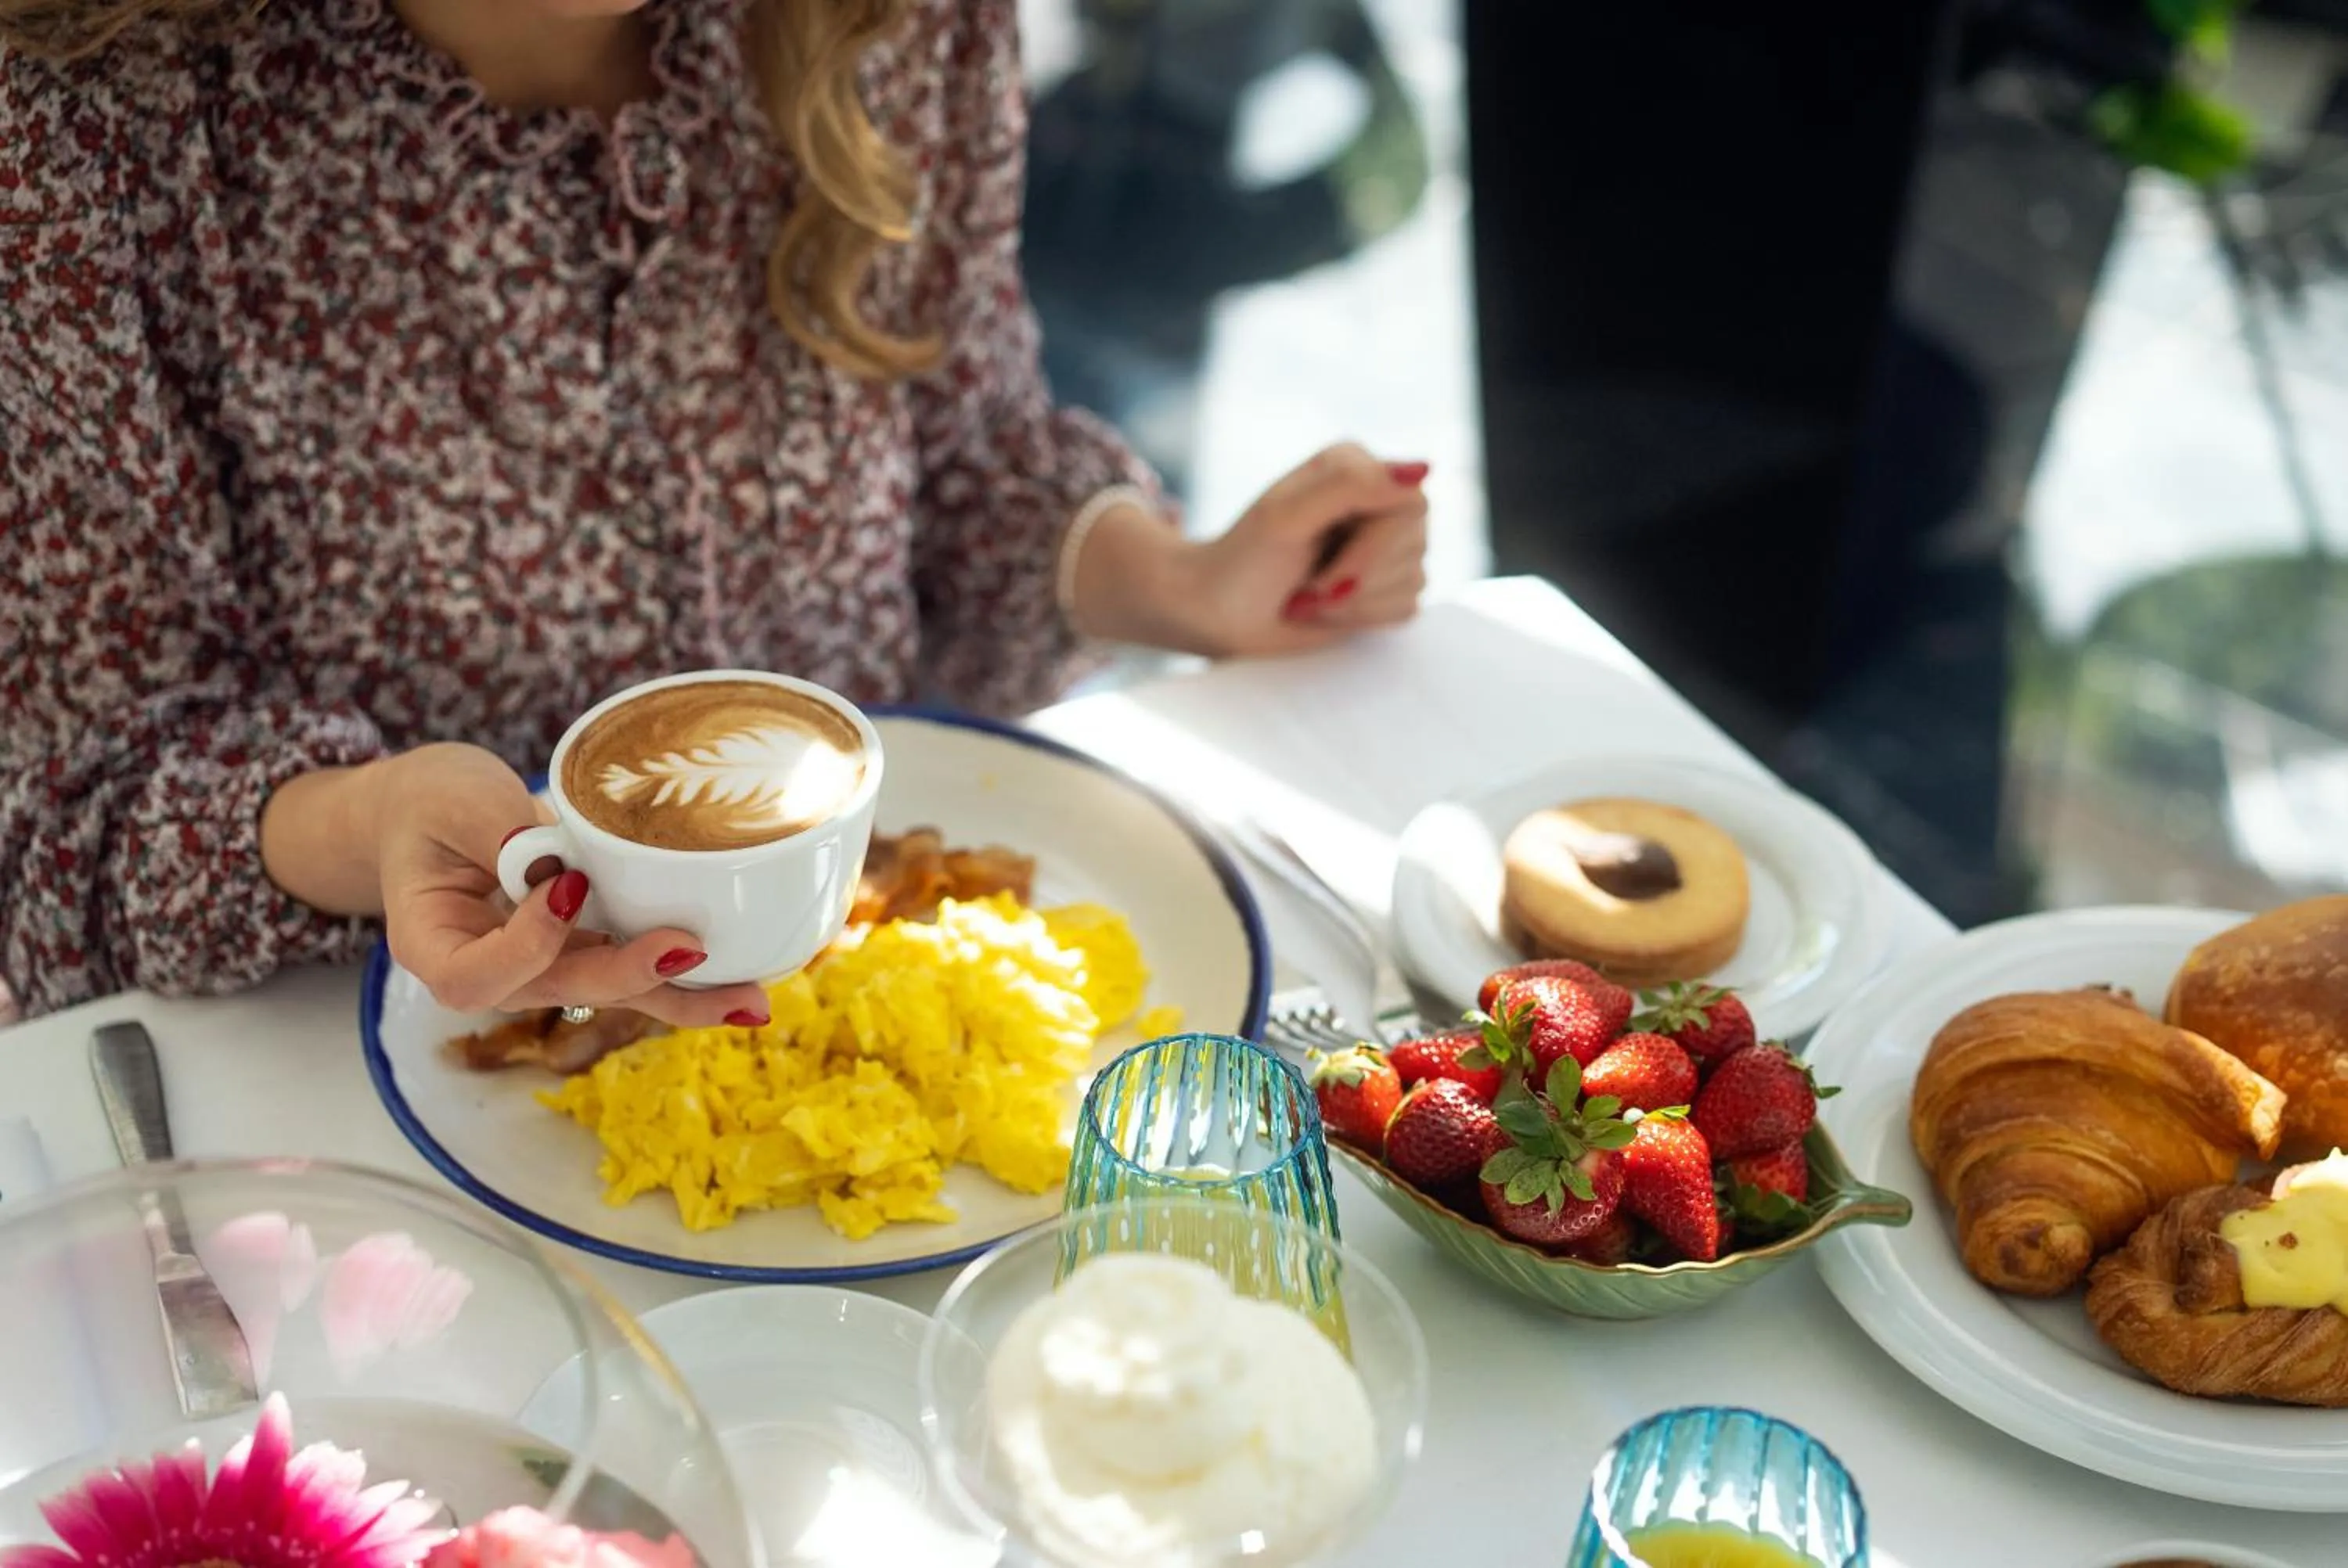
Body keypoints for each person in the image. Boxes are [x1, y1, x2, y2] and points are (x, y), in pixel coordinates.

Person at [0, 0, 1431, 1027]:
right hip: (365, 1109)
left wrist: (1178, 583)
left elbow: (961, 453)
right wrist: (366, 823)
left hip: (886, 1027)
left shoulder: (893, 27)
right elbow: (74, 800)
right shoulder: (83, 120)